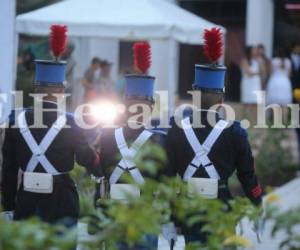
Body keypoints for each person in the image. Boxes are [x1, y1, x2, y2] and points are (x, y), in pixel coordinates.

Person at [165, 28, 262, 244]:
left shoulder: (175, 128)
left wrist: (168, 217)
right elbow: (247, 175)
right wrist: (257, 205)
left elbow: (168, 177)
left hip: (188, 212)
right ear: (222, 98)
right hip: (222, 211)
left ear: (194, 93)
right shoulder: (235, 132)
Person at [1, 25, 102, 226]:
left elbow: (9, 171)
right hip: (61, 204)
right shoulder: (72, 123)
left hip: (26, 203)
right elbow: (84, 158)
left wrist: (9, 208)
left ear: (35, 89)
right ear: (61, 92)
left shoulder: (16, 121)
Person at [93, 42, 166, 249]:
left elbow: (100, 171)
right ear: (151, 107)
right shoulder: (158, 139)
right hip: (146, 212)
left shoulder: (107, 136)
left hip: (114, 211)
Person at [266, 48, 292, 123]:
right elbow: (289, 74)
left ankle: (274, 122)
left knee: (274, 104)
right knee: (284, 104)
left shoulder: (273, 61)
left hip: (275, 82)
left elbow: (270, 72)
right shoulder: (288, 61)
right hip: (285, 83)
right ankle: (285, 121)